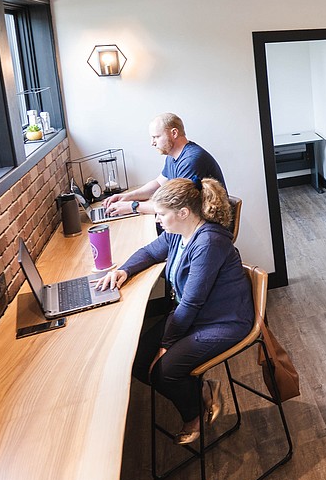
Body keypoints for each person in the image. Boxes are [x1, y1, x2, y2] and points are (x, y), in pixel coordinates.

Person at [95, 177, 252, 445]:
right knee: (137, 361)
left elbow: (192, 302)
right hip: (196, 316)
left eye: (161, 214)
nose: (157, 220)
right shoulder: (179, 233)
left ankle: (193, 414)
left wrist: (168, 343)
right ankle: (201, 390)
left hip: (223, 321)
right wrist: (123, 270)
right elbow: (150, 252)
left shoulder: (208, 242)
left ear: (183, 213)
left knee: (164, 371)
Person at [104, 113, 226, 216]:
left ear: (174, 133)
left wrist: (133, 206)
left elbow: (175, 206)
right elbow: (158, 183)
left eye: (156, 137)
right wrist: (127, 197)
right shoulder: (172, 156)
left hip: (206, 226)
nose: (152, 143)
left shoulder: (191, 160)